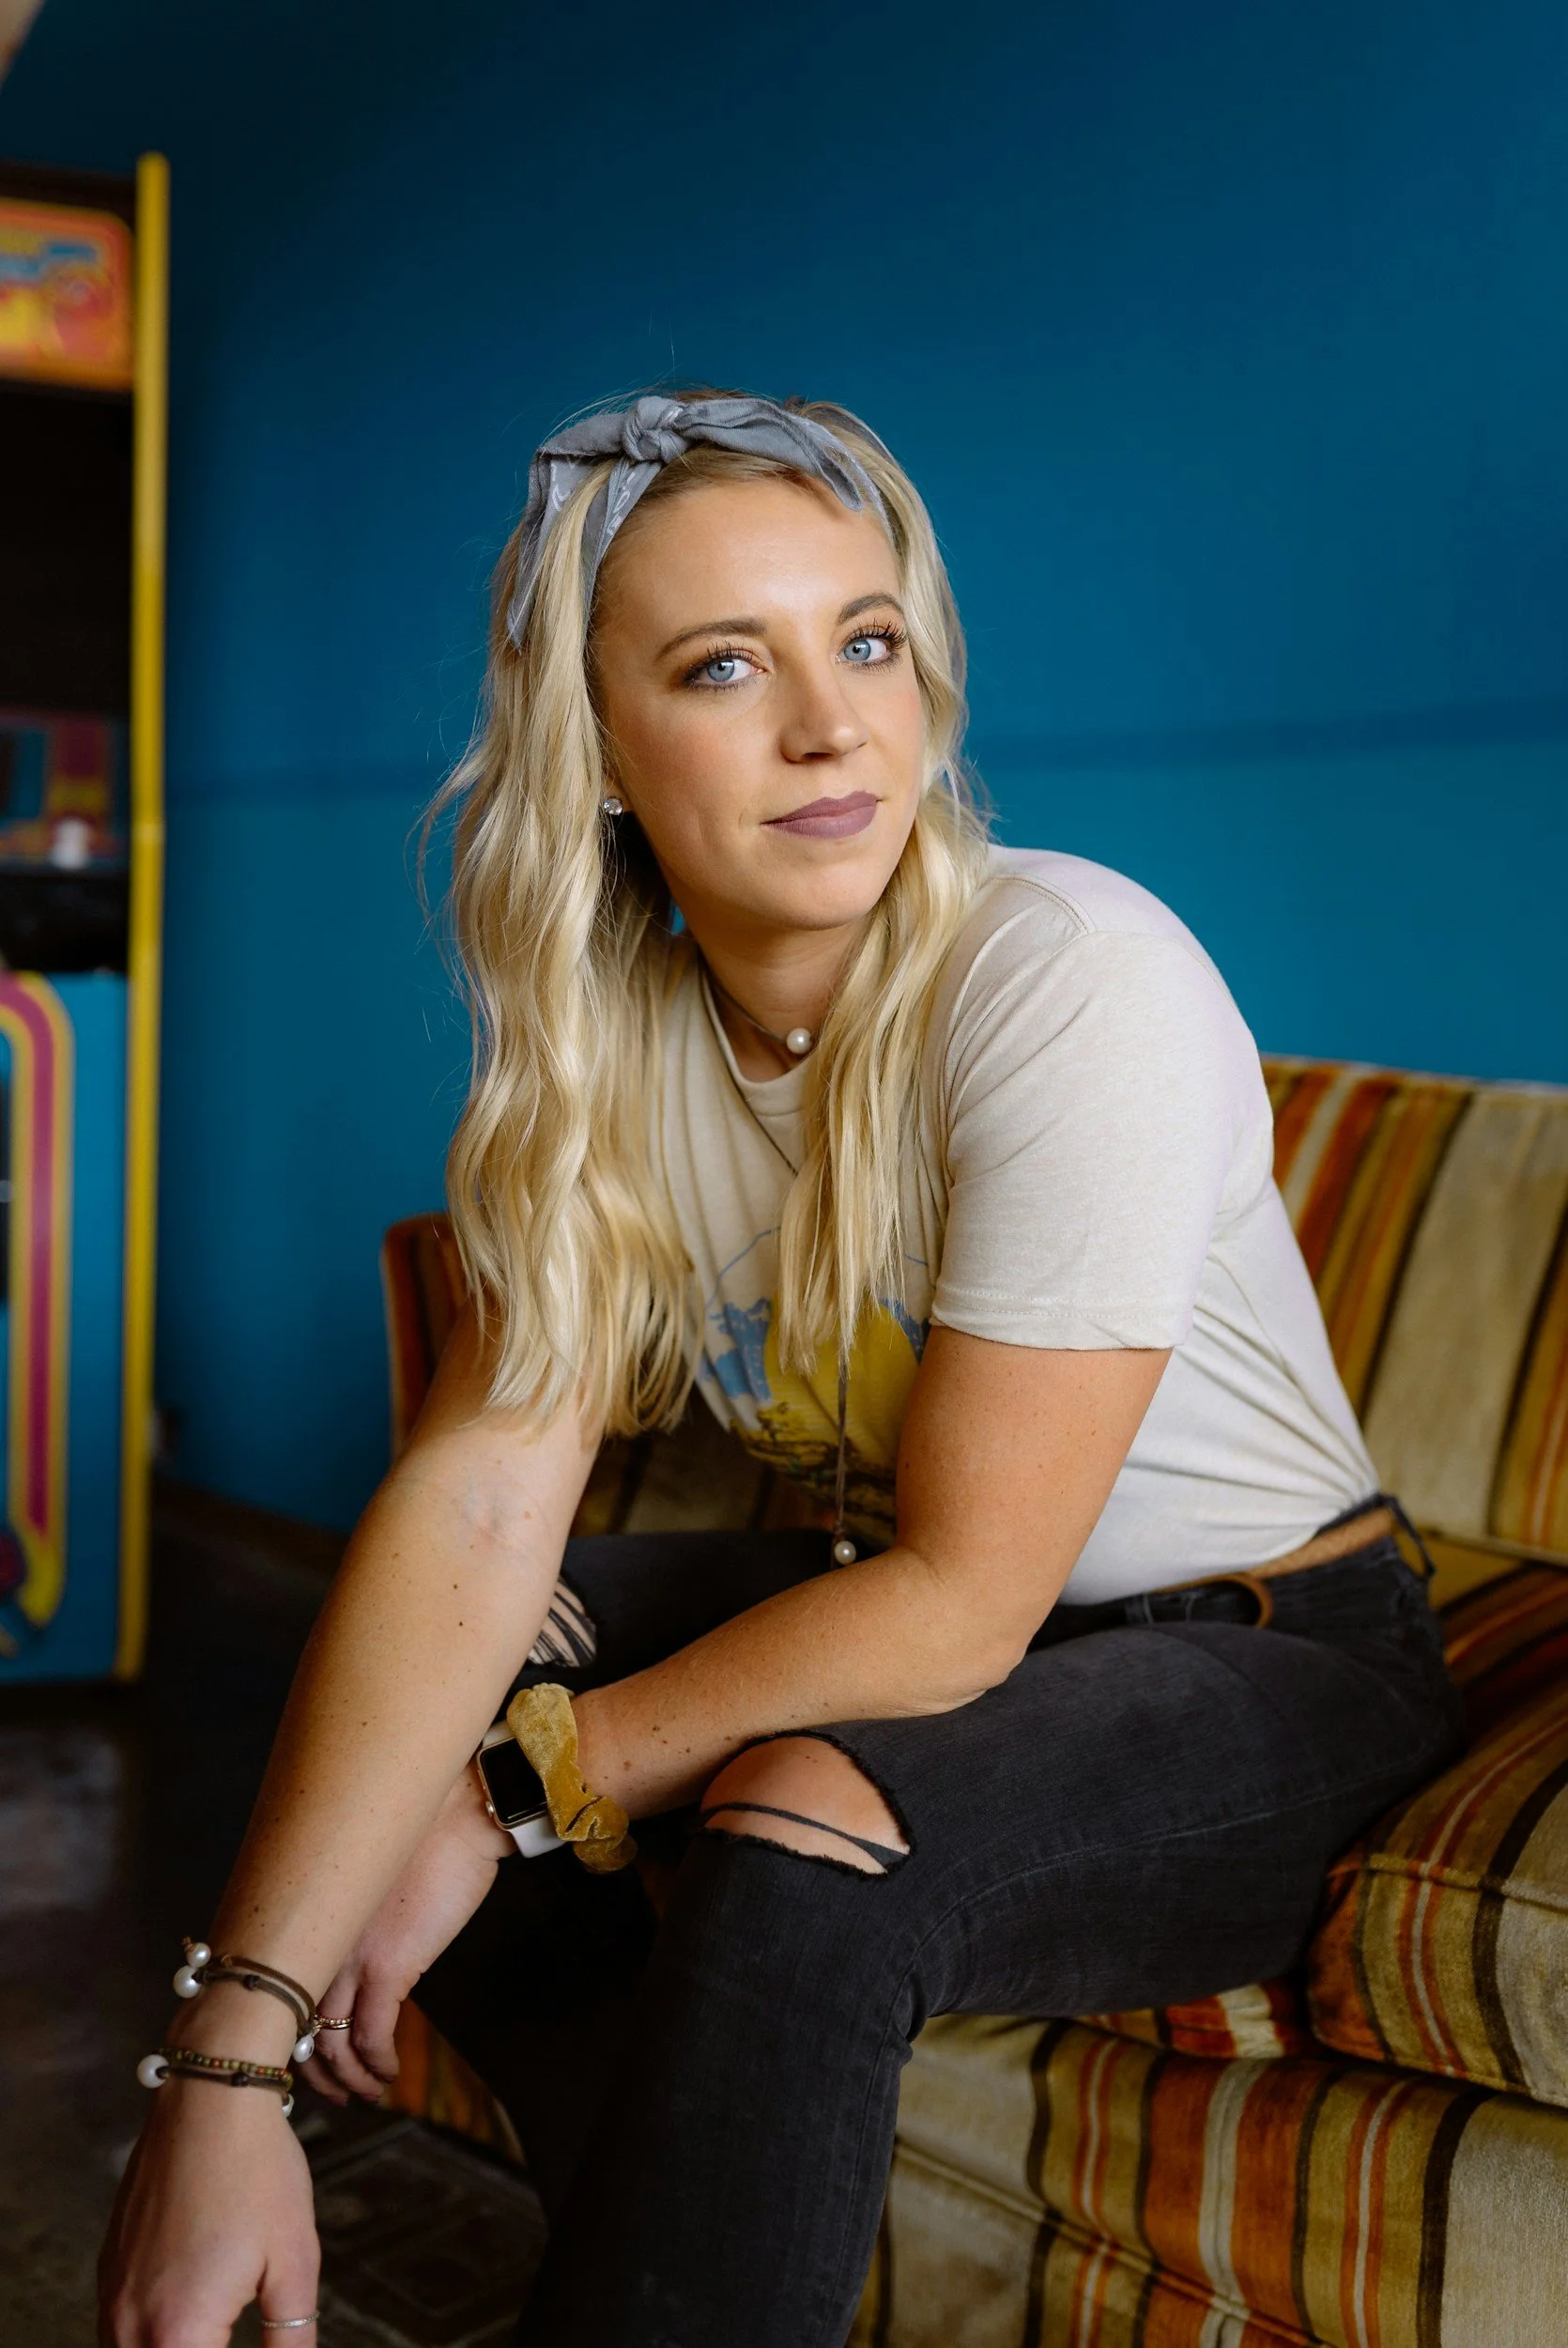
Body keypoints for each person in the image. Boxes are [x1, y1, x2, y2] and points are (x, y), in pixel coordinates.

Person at [100, 393, 1463, 2348]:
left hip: (1273, 1651)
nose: (835, 727)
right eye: (724, 664)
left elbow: (959, 1606)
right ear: (599, 756)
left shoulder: (1070, 972)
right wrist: (224, 2063)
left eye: (869, 638)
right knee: (413, 1682)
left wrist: (498, 1796)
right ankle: (666, 2265)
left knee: (787, 1814)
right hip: (947, 1633)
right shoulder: (603, 1059)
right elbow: (475, 1508)